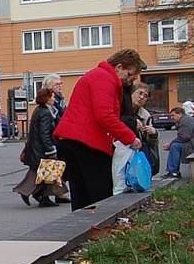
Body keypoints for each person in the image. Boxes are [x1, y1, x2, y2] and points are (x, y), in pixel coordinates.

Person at [54, 49, 144, 211]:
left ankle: (82, 230)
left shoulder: (97, 75)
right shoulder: (104, 78)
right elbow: (104, 115)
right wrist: (130, 138)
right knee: (99, 194)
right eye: (130, 74)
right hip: (88, 142)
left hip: (74, 140)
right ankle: (98, 231)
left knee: (81, 194)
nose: (130, 80)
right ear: (119, 67)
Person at [13, 87, 60, 208]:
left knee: (44, 174)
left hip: (37, 148)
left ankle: (41, 196)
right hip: (41, 149)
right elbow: (44, 133)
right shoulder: (45, 113)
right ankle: (38, 195)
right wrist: (50, 149)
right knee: (47, 173)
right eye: (52, 96)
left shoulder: (41, 110)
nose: (54, 98)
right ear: (47, 98)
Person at [41, 73, 71, 204]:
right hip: (55, 139)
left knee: (57, 167)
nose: (60, 86)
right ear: (49, 87)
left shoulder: (59, 99)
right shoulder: (49, 104)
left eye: (60, 83)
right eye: (57, 84)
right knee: (52, 167)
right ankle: (45, 195)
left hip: (60, 137)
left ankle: (58, 194)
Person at [129, 83, 160, 176]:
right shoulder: (120, 108)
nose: (142, 97)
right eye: (140, 93)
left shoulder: (146, 115)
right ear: (131, 93)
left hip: (138, 149)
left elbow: (152, 143)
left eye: (145, 96)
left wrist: (153, 133)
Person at [162, 106, 194, 179]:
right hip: (191, 143)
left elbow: (184, 137)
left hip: (192, 145)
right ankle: (173, 171)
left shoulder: (186, 121)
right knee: (175, 145)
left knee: (175, 146)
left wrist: (170, 145)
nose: (172, 118)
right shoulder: (186, 119)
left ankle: (173, 172)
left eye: (173, 115)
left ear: (180, 114)